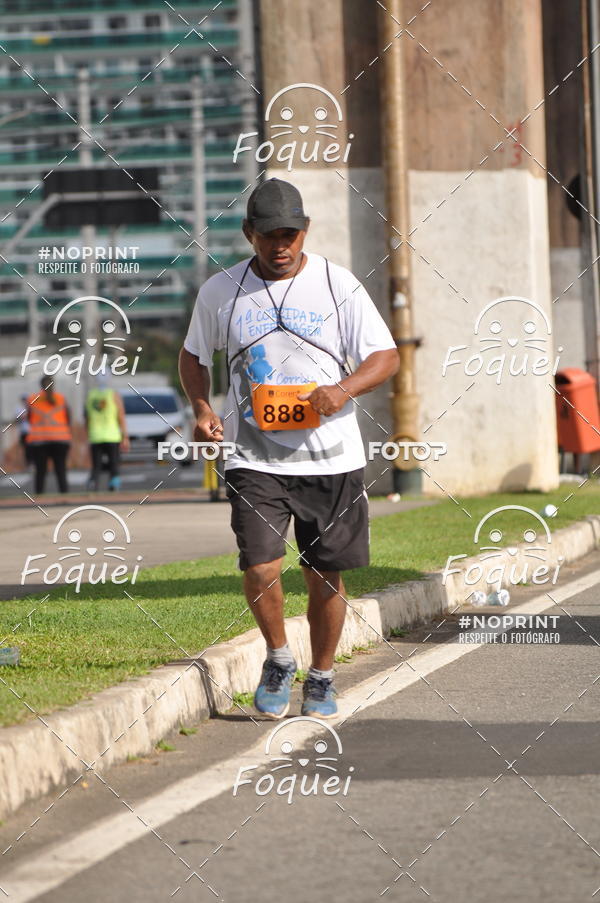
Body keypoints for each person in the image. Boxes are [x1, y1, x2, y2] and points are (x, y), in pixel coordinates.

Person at [179, 178, 399, 720]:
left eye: (290, 234)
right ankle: (279, 657)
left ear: (305, 232)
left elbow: (385, 356)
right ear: (249, 234)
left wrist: (341, 390)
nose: (281, 246)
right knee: (260, 566)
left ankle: (321, 676)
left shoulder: (337, 285)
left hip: (332, 456)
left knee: (325, 573)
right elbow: (193, 357)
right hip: (254, 456)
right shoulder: (220, 291)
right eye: (268, 236)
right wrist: (203, 409)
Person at [27, 376, 72, 495]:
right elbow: (68, 418)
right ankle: (65, 497)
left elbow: (29, 418)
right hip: (60, 440)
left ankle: (39, 498)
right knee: (61, 470)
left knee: (41, 472)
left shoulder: (32, 399)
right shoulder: (61, 399)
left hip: (39, 441)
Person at [85, 376, 130, 491]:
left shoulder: (91, 395)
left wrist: (87, 434)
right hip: (112, 435)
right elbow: (121, 416)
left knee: (96, 465)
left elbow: (87, 417)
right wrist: (125, 436)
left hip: (95, 435)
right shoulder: (113, 394)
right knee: (114, 464)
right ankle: (114, 484)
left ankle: (93, 482)